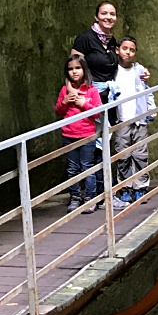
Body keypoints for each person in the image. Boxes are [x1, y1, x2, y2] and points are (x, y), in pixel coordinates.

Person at [110, 36, 156, 205]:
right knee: (123, 155)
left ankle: (140, 188)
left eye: (132, 50)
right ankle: (125, 188)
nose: (128, 52)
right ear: (117, 50)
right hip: (121, 120)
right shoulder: (113, 70)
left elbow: (147, 90)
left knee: (140, 155)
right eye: (124, 48)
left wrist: (151, 108)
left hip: (139, 119)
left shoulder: (139, 70)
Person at [56, 52, 102, 213]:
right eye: (70, 69)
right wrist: (65, 102)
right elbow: (58, 110)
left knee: (87, 167)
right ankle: (75, 197)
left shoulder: (92, 91)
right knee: (72, 168)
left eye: (78, 68)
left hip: (87, 135)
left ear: (84, 70)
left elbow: (97, 113)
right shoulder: (64, 90)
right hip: (69, 135)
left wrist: (84, 104)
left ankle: (91, 198)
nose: (74, 71)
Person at [72, 1, 121, 97]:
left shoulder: (112, 41)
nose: (108, 17)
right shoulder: (85, 38)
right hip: (89, 95)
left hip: (110, 94)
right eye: (104, 13)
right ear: (96, 17)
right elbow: (73, 68)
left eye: (112, 14)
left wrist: (141, 72)